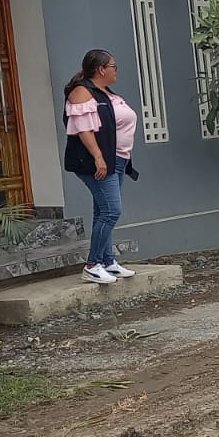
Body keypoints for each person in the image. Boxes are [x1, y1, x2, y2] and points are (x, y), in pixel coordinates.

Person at [63, 50, 140, 284]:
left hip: (118, 160)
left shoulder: (104, 92)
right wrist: (98, 157)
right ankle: (93, 264)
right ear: (101, 69)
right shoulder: (82, 92)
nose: (117, 71)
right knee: (111, 211)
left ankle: (107, 261)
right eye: (114, 66)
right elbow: (83, 129)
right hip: (99, 162)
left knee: (102, 211)